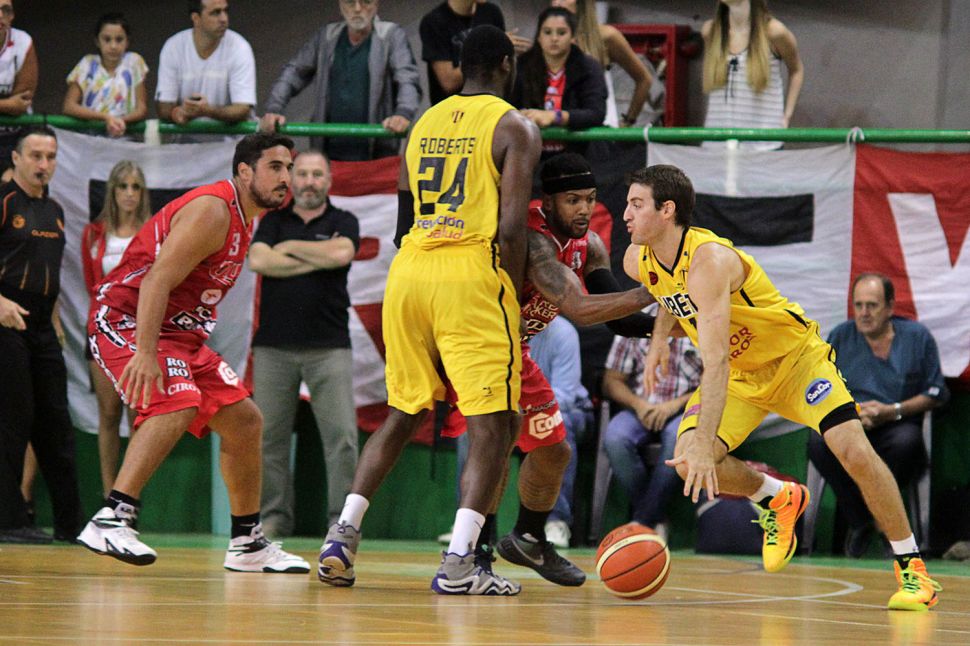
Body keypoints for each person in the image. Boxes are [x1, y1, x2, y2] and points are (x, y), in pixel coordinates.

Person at [623, 164, 941, 611]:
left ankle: (913, 570)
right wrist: (659, 340)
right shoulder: (637, 259)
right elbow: (666, 292)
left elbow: (714, 362)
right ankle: (777, 497)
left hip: (795, 362)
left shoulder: (709, 261)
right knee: (687, 460)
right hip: (743, 376)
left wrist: (705, 443)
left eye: (636, 204)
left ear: (667, 210)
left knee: (852, 450)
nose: (626, 214)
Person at [317, 25, 541, 596]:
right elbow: (512, 227)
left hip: (411, 269)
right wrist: (511, 295)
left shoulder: (423, 123)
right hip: (470, 273)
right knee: (495, 424)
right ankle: (461, 563)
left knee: (403, 410)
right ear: (506, 65)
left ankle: (342, 536)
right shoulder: (515, 126)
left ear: (461, 67)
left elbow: (403, 217)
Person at [77, 132, 309, 574]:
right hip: (127, 318)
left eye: (289, 168)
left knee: (245, 422)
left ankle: (247, 543)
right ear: (245, 172)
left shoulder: (245, 218)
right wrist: (146, 352)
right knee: (177, 400)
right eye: (275, 167)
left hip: (178, 334)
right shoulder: (213, 210)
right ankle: (112, 517)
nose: (286, 178)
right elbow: (157, 280)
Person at [440, 152, 657, 588]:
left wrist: (681, 321)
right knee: (493, 446)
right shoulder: (533, 240)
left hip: (514, 351)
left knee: (554, 450)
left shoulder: (590, 245)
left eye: (590, 199)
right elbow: (578, 308)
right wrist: (656, 289)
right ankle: (473, 552)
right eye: (573, 200)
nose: (583, 209)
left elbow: (617, 319)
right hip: (478, 343)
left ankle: (528, 538)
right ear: (548, 201)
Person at [247, 150, 360, 538]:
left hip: (330, 346)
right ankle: (274, 516)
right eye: (303, 174)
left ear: (328, 180)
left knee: (342, 438)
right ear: (291, 180)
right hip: (273, 348)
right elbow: (259, 261)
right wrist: (318, 256)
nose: (309, 182)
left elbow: (343, 252)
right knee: (268, 438)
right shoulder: (273, 220)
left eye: (317, 175)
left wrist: (288, 248)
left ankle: (341, 522)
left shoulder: (343, 221)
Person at [808, 273, 948, 558]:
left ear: (890, 307)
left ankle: (880, 525)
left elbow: (935, 393)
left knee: (907, 443)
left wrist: (892, 411)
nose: (864, 313)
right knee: (818, 443)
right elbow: (823, 386)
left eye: (872, 305)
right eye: (858, 305)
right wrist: (854, 413)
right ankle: (864, 522)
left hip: (896, 422)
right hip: (852, 420)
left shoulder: (917, 338)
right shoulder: (841, 336)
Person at [0, 127, 82, 545]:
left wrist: (54, 321)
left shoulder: (55, 210)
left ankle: (72, 524)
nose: (43, 164)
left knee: (56, 423)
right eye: (35, 156)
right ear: (16, 158)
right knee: (12, 421)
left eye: (50, 157)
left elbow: (49, 273)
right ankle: (8, 520)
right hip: (6, 320)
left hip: (43, 325)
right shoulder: (4, 203)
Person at [260, 0, 420, 161]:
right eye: (350, 2)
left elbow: (407, 79)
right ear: (340, 5)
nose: (357, 9)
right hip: (328, 153)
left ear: (376, 4)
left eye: (365, 2)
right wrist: (274, 108)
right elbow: (294, 72)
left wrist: (403, 113)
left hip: (376, 153)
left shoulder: (390, 35)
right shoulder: (327, 36)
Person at [81, 160, 152, 496]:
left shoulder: (152, 233)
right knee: (107, 414)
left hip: (138, 333)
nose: (129, 194)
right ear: (112, 190)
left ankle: (129, 496)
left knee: (136, 415)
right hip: (102, 331)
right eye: (123, 186)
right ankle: (109, 495)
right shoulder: (94, 234)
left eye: (135, 187)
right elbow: (91, 284)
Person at [601, 327, 701, 539]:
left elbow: (716, 382)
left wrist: (674, 405)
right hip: (639, 405)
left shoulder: (702, 322)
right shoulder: (634, 320)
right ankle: (653, 517)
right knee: (615, 438)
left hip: (687, 408)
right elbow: (612, 380)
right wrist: (639, 405)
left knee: (677, 440)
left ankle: (643, 521)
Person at [701, 0, 803, 150]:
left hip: (763, 145)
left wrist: (786, 116)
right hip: (716, 143)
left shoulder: (774, 32)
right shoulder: (710, 31)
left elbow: (796, 70)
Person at [528, 316, 591, 549]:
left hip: (570, 410)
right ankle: (472, 520)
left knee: (556, 422)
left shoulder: (563, 333)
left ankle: (556, 521)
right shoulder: (498, 329)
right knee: (470, 427)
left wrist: (526, 412)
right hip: (517, 410)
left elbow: (564, 395)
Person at [511, 7, 607, 156]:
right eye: (547, 32)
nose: (554, 38)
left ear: (573, 37)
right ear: (538, 37)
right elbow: (507, 106)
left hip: (577, 155)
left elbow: (596, 113)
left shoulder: (589, 67)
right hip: (530, 154)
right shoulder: (521, 66)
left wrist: (556, 117)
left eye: (561, 33)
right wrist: (519, 114)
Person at [551, 0, 654, 128]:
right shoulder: (547, 38)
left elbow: (644, 79)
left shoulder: (606, 36)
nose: (557, 3)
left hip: (596, 129)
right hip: (557, 127)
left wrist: (628, 121)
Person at [155, 0, 256, 131]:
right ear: (196, 18)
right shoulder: (173, 47)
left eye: (226, 11)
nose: (224, 19)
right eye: (215, 13)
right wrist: (178, 112)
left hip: (231, 141)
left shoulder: (240, 47)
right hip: (185, 141)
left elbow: (243, 109)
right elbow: (164, 107)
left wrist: (206, 111)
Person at [419, 0, 529, 106]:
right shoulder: (434, 22)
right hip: (454, 110)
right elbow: (449, 82)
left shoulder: (491, 12)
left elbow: (500, 72)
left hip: (489, 104)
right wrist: (491, 49)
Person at [62, 13, 149, 139]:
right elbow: (69, 106)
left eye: (119, 39)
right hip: (90, 139)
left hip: (126, 137)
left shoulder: (134, 62)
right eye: (107, 39)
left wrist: (120, 122)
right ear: (97, 41)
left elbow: (141, 108)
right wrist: (106, 118)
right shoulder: (87, 64)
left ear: (127, 41)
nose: (113, 46)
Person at [0, 0, 38, 165]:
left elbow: (21, 104)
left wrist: (13, 106)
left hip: (17, 135)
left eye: (6, 10)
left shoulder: (23, 41)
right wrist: (8, 104)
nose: (0, 15)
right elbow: (13, 105)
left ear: (12, 16)